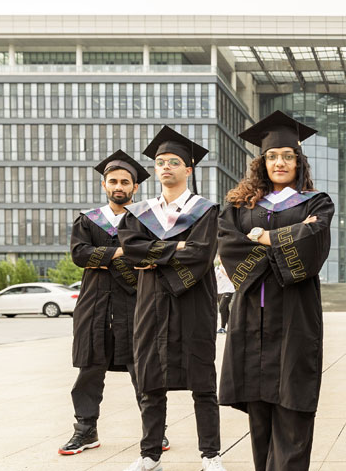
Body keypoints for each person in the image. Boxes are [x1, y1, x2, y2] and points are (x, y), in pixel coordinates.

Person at [218, 111, 335, 471]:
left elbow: (315, 241)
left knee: (293, 405)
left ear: (298, 161)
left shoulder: (316, 202)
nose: (279, 162)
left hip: (295, 315)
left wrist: (262, 236)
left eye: (287, 156)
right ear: (262, 162)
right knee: (259, 411)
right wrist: (288, 237)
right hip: (251, 316)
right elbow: (228, 245)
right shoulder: (241, 205)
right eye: (272, 156)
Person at [118, 126, 223, 471]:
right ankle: (150, 454)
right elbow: (130, 249)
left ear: (188, 169)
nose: (166, 167)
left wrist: (154, 257)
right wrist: (176, 246)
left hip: (194, 303)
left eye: (174, 162)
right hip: (151, 305)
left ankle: (210, 454)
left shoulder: (205, 210)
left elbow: (201, 254)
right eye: (161, 162)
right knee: (150, 381)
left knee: (203, 384)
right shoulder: (139, 213)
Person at [61, 150, 170, 455]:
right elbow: (79, 255)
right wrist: (123, 252)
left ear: (135, 187)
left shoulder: (148, 222)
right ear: (104, 184)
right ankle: (85, 431)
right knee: (89, 370)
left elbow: (155, 254)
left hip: (135, 305)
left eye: (124, 182)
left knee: (143, 369)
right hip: (93, 306)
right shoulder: (88, 220)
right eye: (113, 181)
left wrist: (103, 257)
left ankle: (156, 431)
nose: (118, 186)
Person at [213, 256, 234, 334]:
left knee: (222, 308)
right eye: (220, 257)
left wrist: (224, 271)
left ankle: (222, 327)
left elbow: (232, 277)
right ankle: (230, 327)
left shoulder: (229, 266)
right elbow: (214, 280)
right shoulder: (217, 268)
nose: (221, 259)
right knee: (225, 309)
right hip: (219, 291)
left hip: (228, 290)